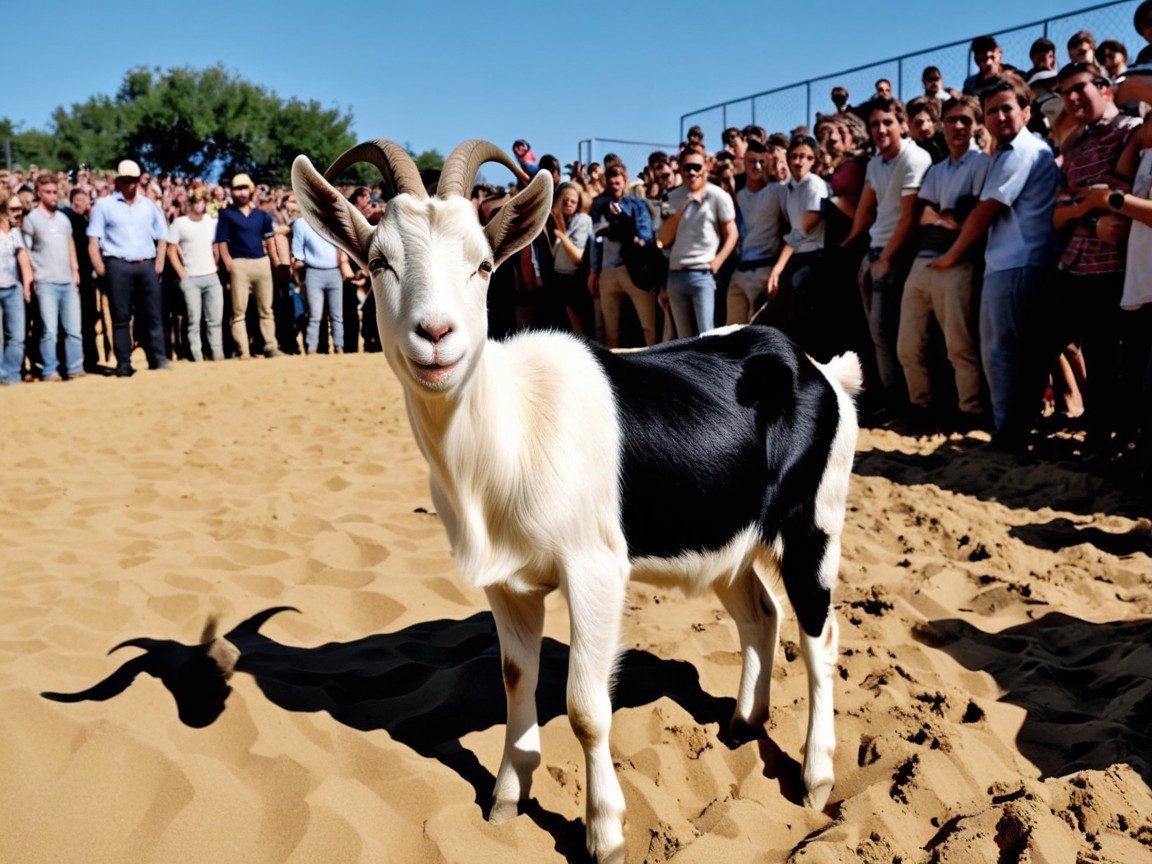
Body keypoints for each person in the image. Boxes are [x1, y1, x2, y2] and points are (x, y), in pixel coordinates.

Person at [929, 74, 1060, 449]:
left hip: (1016, 263)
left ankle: (1008, 435)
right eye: (991, 111)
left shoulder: (1020, 151)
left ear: (1026, 111)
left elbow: (985, 211)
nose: (999, 117)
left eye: (1007, 108)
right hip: (1018, 261)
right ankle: (1012, 431)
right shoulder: (1014, 151)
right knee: (1012, 354)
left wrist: (951, 255)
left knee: (1002, 354)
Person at [1050, 61, 1139, 460]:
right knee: (1097, 360)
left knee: (1123, 365)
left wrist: (1091, 206)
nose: (1071, 98)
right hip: (1078, 266)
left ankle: (1121, 442)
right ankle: (1099, 439)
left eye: (1079, 88)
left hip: (1123, 269)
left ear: (1104, 87)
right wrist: (1090, 215)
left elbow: (1126, 201)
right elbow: (1061, 211)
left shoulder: (1132, 133)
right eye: (1064, 92)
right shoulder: (1076, 145)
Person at [896, 95, 991, 425]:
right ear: (942, 124)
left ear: (976, 124)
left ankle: (971, 412)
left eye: (965, 120)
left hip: (958, 262)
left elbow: (972, 215)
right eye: (951, 120)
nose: (958, 126)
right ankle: (920, 409)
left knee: (959, 346)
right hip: (923, 262)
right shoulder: (937, 170)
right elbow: (922, 216)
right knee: (908, 346)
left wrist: (948, 216)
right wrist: (946, 216)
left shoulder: (982, 164)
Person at [842, 97, 933, 413]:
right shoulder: (875, 163)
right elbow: (867, 208)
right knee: (877, 335)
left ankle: (900, 403)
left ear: (902, 124)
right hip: (875, 251)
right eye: (874, 125)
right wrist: (852, 243)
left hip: (898, 254)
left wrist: (885, 260)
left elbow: (909, 219)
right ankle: (891, 400)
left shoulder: (915, 157)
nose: (880, 130)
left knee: (889, 334)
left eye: (887, 123)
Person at [87, 159, 171, 377]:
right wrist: (103, 270)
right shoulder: (104, 206)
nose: (131, 185)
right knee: (121, 317)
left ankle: (158, 358)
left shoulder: (149, 206)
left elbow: (162, 235)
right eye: (126, 180)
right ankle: (124, 363)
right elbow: (93, 241)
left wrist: (159, 263)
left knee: (153, 314)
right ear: (118, 182)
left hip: (146, 264)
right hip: (118, 264)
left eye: (134, 180)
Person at [659, 149, 738, 338]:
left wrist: (717, 261)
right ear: (680, 169)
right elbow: (663, 239)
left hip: (703, 274)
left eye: (697, 167)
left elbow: (732, 233)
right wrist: (683, 208)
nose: (692, 172)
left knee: (707, 335)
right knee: (684, 339)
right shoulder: (670, 197)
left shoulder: (718, 195)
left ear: (706, 168)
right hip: (676, 274)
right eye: (687, 167)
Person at [765, 135, 829, 349]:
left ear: (813, 160)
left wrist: (778, 266)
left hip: (814, 256)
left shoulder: (815, 185)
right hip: (796, 256)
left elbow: (802, 230)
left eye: (805, 157)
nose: (799, 161)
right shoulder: (790, 187)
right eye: (794, 156)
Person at [589, 165, 657, 347]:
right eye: (611, 183)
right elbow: (595, 239)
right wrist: (594, 270)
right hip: (608, 271)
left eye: (617, 183)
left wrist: (622, 224)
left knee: (648, 328)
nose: (614, 187)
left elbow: (645, 236)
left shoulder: (637, 204)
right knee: (611, 332)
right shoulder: (600, 206)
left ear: (625, 181)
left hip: (633, 269)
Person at [23, 174, 83, 381]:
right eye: (48, 192)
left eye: (54, 192)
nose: (53, 196)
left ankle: (75, 368)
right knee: (49, 331)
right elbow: (26, 251)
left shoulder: (63, 219)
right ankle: (50, 370)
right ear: (39, 194)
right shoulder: (31, 219)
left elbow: (70, 245)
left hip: (67, 281)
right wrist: (32, 277)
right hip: (45, 281)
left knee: (74, 330)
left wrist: (75, 271)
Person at [215, 172, 281, 359]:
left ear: (251, 190)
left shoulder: (263, 216)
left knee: (266, 310)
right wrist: (228, 263)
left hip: (261, 262)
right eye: (237, 189)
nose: (241, 192)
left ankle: (271, 346)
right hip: (239, 264)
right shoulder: (226, 215)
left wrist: (276, 263)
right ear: (232, 192)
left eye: (244, 188)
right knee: (238, 312)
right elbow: (222, 241)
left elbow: (270, 242)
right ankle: (243, 350)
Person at [726, 139, 786, 324]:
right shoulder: (738, 196)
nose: (757, 166)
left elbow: (793, 226)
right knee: (731, 333)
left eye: (762, 161)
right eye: (752, 161)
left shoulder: (777, 191)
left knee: (757, 333)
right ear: (744, 162)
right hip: (740, 272)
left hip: (764, 271)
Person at [167, 187, 224, 361]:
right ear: (190, 204)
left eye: (203, 201)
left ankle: (217, 354)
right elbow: (170, 249)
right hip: (191, 277)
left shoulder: (209, 221)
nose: (200, 205)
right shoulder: (179, 223)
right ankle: (196, 356)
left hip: (211, 275)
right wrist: (182, 275)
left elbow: (217, 243)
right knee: (194, 321)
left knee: (215, 320)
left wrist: (217, 263)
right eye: (197, 201)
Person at [291, 211, 347, 354]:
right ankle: (312, 348)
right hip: (313, 271)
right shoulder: (301, 223)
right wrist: (298, 266)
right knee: (315, 315)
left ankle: (339, 346)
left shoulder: (332, 221)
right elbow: (297, 250)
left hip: (334, 271)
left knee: (337, 315)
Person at [548, 182, 594, 335]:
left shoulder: (582, 220)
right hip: (558, 279)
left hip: (573, 282)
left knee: (578, 331)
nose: (569, 203)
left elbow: (577, 257)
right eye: (565, 199)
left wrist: (561, 236)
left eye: (574, 200)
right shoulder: (560, 220)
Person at [0, 189, 33, 385]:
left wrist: (27, 283)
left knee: (17, 336)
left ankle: (10, 374)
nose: (18, 213)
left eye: (19, 208)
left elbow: (23, 259)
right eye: (13, 209)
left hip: (13, 288)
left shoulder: (15, 232)